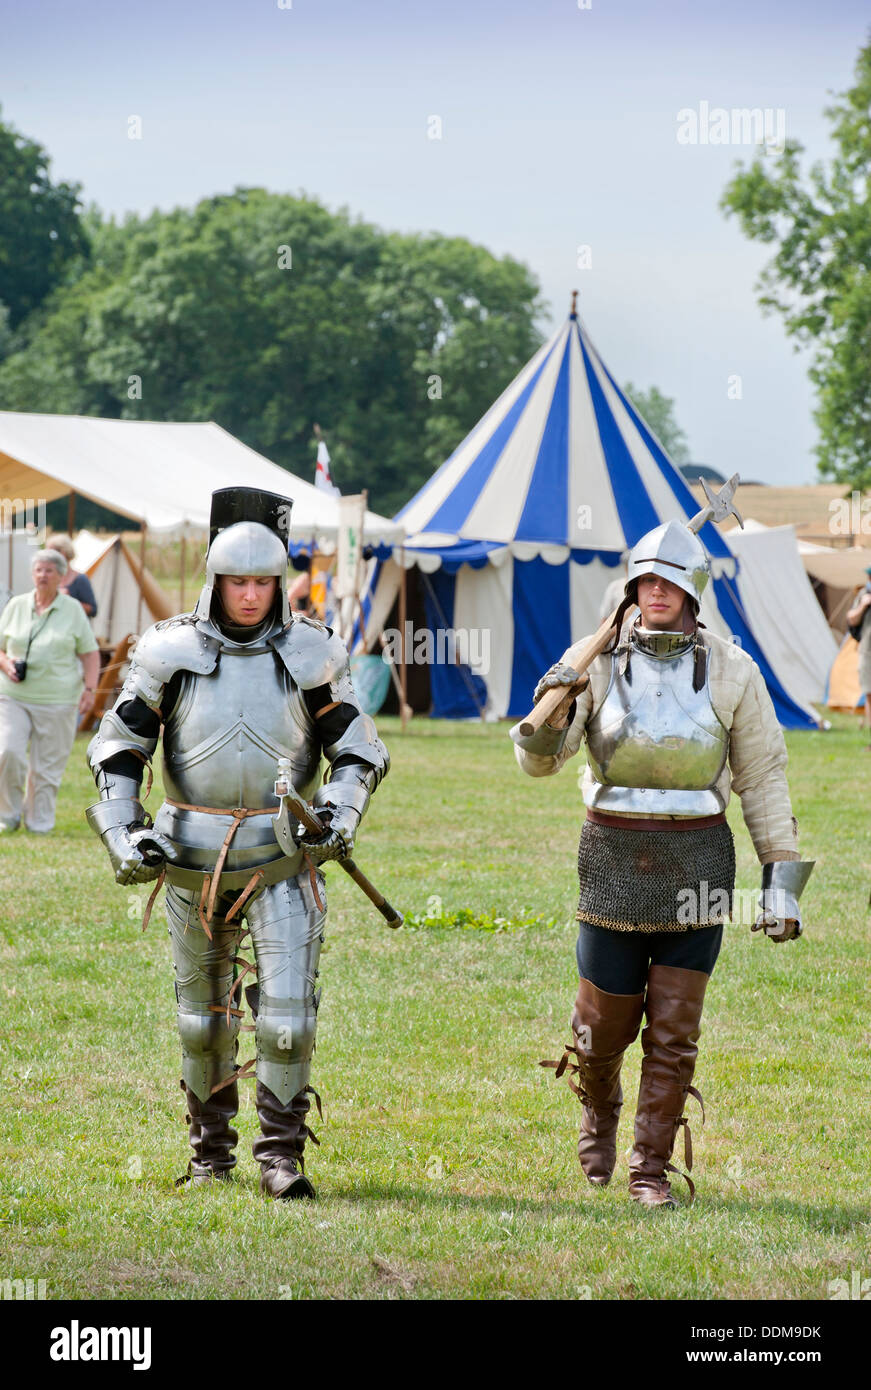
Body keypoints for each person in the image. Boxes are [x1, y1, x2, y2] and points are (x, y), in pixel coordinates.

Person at [85, 488, 389, 1199]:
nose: (250, 595)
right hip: (187, 853)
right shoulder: (168, 650)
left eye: (262, 582)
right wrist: (123, 830)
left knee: (286, 1021)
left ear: (279, 584)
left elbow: (357, 748)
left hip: (283, 853)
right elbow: (119, 744)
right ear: (214, 581)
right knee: (201, 1021)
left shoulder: (312, 651)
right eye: (237, 581)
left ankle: (281, 1158)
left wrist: (342, 809)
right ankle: (208, 1156)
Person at [513, 517, 813, 1209]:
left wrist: (781, 879)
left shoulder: (733, 670)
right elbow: (539, 765)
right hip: (612, 856)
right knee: (601, 1029)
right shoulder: (591, 659)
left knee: (674, 1032)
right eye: (645, 580)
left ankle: (648, 1170)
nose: (656, 591)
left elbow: (762, 777)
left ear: (691, 591)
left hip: (698, 860)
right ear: (630, 587)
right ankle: (597, 1108)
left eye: (669, 581)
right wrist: (554, 708)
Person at [0, 549, 99, 834]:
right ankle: (7, 815)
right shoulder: (16, 605)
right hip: (13, 696)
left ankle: (39, 823)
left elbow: (90, 654)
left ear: (61, 575)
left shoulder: (72, 610)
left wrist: (89, 689)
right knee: (8, 753)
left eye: (49, 571)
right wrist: (7, 665)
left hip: (58, 699)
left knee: (46, 767)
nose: (43, 575)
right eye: (38, 570)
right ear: (32, 574)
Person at [846, 565, 871, 746]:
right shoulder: (863, 595)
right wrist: (863, 605)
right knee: (869, 693)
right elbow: (851, 619)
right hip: (868, 652)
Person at [47, 534, 99, 619]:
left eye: (51, 552)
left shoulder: (80, 579)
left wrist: (68, 600)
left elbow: (92, 610)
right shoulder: (48, 578)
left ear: (63, 553)